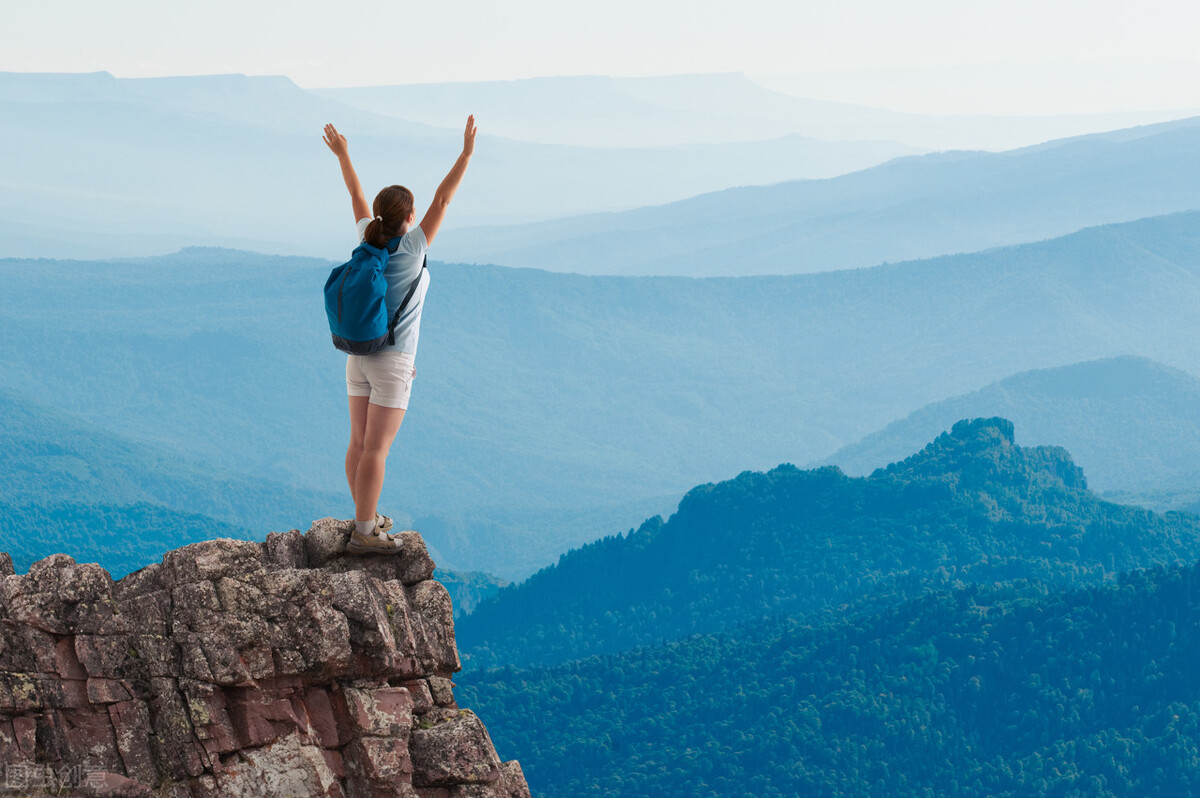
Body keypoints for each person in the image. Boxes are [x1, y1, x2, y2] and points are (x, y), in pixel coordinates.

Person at [322, 115, 477, 554]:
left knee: (358, 442)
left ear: (379, 216)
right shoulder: (413, 248)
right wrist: (465, 154)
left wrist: (344, 154)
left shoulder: (365, 241)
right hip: (393, 363)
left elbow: (355, 194)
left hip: (357, 357)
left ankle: (363, 516)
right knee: (376, 451)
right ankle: (365, 534)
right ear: (409, 218)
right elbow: (444, 199)